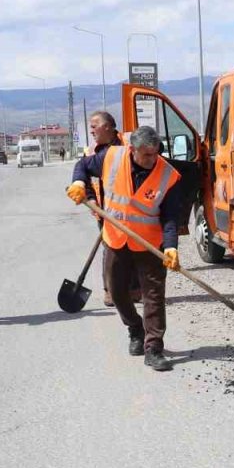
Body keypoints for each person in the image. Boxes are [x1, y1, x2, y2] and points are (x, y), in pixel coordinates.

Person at [67, 125, 182, 372]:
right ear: (132, 150)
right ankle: (135, 329)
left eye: (155, 153)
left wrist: (171, 247)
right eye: (146, 155)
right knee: (117, 292)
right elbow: (83, 166)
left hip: (150, 245)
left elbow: (171, 217)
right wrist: (79, 184)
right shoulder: (111, 157)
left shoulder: (167, 175)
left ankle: (153, 348)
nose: (152, 159)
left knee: (153, 296)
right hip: (116, 238)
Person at [72, 111, 136, 307]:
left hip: (134, 210)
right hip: (105, 210)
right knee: (111, 249)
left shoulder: (128, 142)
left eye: (94, 126)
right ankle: (110, 290)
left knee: (135, 249)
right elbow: (87, 176)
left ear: (108, 126)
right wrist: (90, 199)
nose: (91, 130)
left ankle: (134, 290)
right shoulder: (92, 151)